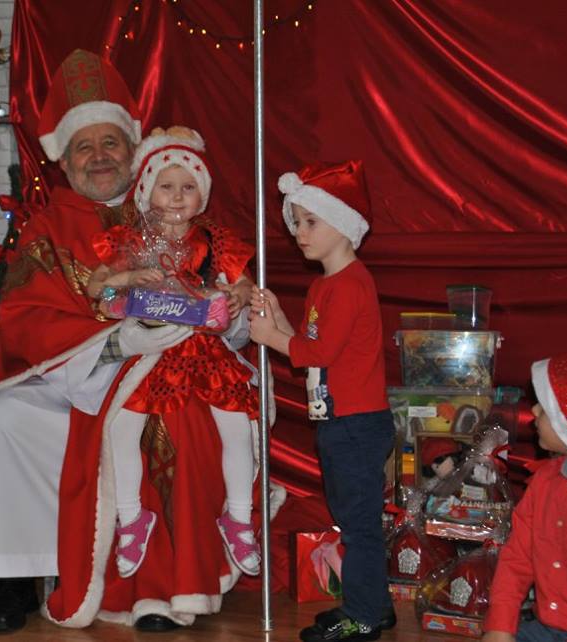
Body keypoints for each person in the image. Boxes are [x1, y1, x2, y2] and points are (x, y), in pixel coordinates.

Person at [0, 49, 264, 633]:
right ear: (65, 158)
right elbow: (23, 318)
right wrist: (114, 343)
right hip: (76, 373)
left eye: (110, 143)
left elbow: (226, 296)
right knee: (3, 420)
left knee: (172, 420)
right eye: (84, 146)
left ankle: (161, 584)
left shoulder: (171, 200)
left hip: (169, 371)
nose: (99, 156)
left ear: (132, 150)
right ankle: (19, 577)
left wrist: (222, 314)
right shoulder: (47, 227)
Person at [84, 126, 261, 578]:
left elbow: (243, 283)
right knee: (121, 426)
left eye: (188, 187)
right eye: (167, 186)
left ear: (202, 195)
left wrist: (237, 295)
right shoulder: (132, 242)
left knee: (237, 426)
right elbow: (96, 287)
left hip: (205, 349)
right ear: (148, 192)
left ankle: (238, 517)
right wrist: (127, 280)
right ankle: (131, 517)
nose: (178, 196)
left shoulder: (214, 240)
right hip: (153, 350)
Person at [249, 161, 396, 642]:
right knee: (353, 517)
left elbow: (319, 353)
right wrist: (279, 321)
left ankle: (363, 614)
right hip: (337, 420)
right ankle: (375, 604)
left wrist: (271, 337)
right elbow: (310, 347)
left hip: (357, 424)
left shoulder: (351, 284)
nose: (299, 233)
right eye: (295, 222)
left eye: (310, 221)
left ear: (342, 222)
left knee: (358, 525)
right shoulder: (322, 286)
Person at [482, 351, 567, 642]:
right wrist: (500, 626)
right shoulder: (545, 481)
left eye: (545, 408)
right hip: (547, 629)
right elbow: (517, 559)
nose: (533, 411)